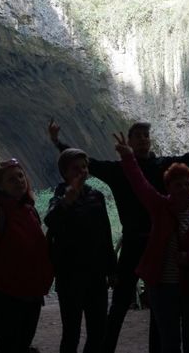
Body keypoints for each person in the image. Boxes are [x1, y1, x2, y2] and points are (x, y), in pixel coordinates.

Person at [48, 109, 189, 353]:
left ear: (150, 140)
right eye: (137, 135)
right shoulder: (118, 170)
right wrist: (57, 142)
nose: (142, 138)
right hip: (131, 243)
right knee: (118, 306)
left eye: (145, 135)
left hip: (160, 245)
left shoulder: (164, 166)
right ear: (129, 141)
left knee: (159, 309)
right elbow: (85, 163)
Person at [114, 132, 189, 353]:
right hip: (163, 288)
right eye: (177, 184)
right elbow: (140, 184)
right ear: (168, 187)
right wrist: (128, 157)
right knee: (169, 343)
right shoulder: (160, 208)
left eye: (186, 183)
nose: (183, 188)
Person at [0, 159, 54, 353]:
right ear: (0, 186)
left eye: (20, 175)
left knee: (23, 344)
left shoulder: (29, 209)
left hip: (32, 293)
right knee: (9, 346)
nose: (19, 181)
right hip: (4, 295)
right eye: (11, 179)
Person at [45, 148, 117, 353]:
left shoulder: (97, 196)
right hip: (69, 277)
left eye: (84, 166)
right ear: (65, 172)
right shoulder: (59, 196)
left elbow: (105, 234)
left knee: (98, 331)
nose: (82, 171)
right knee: (71, 332)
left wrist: (112, 269)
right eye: (76, 168)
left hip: (96, 275)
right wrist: (68, 200)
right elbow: (50, 220)